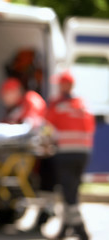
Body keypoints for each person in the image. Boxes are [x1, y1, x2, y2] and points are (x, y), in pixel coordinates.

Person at [45, 71, 95, 240]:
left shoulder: (57, 104)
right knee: (72, 190)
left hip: (65, 154)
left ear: (63, 85)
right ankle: (65, 228)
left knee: (69, 193)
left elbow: (48, 127)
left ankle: (80, 228)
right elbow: (91, 127)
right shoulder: (82, 104)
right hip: (83, 154)